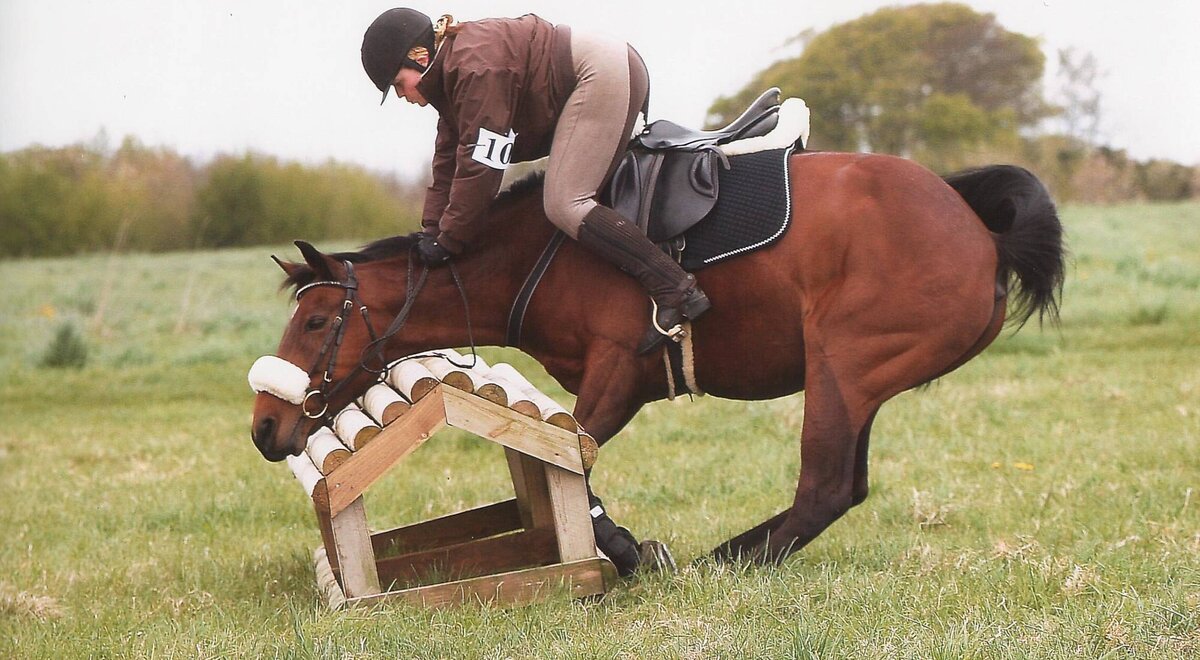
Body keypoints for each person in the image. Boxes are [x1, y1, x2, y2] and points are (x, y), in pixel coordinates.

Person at [361, 8, 710, 354]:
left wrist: (449, 241)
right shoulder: (454, 74)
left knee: (566, 203)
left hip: (599, 72)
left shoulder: (475, 68)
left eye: (397, 84)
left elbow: (481, 167)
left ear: (420, 57)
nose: (403, 96)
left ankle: (676, 289)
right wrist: (431, 230)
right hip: (600, 65)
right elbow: (447, 160)